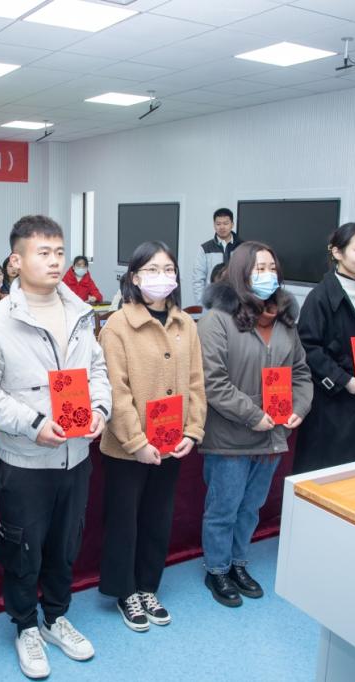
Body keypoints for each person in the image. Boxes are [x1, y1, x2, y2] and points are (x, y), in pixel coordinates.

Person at [0, 215, 111, 680]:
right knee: (23, 548)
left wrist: (101, 410)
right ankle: (26, 625)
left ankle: (56, 617)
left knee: (66, 542)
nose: (54, 261)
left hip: (77, 454)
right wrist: (32, 424)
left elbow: (97, 372)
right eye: (42, 252)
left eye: (59, 252)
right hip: (26, 459)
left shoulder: (81, 312)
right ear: (16, 260)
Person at [97, 241, 206, 632]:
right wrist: (136, 442)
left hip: (172, 443)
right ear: (134, 277)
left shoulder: (185, 324)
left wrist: (193, 430)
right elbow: (116, 390)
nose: (162, 277)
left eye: (168, 270)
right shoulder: (117, 325)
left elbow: (196, 382)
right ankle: (125, 591)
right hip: (129, 448)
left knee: (158, 519)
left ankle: (147, 586)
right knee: (125, 521)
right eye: (152, 270)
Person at [197, 241, 312, 608]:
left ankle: (238, 563)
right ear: (240, 273)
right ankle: (217, 569)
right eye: (259, 268)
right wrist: (252, 414)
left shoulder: (284, 321)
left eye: (272, 268)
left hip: (273, 434)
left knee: (250, 507)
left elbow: (301, 372)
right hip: (230, 436)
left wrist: (299, 407)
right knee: (224, 508)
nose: (268, 275)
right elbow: (213, 381)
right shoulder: (217, 320)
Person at [293, 223, 355, 473]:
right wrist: (344, 380)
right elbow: (308, 348)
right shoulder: (320, 297)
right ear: (337, 252)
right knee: (329, 471)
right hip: (332, 405)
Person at [192, 207, 241, 305]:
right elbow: (198, 280)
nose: (222, 227)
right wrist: (203, 304)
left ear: (232, 224)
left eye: (226, 223)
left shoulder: (242, 247)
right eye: (218, 224)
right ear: (214, 225)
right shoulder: (205, 248)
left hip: (238, 301)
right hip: (213, 302)